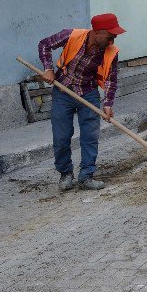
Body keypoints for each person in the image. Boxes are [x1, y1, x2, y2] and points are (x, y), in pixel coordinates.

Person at [37, 13, 125, 191]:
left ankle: (86, 176)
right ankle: (65, 173)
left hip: (88, 93)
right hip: (63, 92)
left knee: (90, 136)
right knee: (61, 137)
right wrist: (48, 68)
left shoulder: (111, 51)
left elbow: (110, 79)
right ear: (98, 32)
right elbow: (44, 44)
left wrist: (108, 104)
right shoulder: (72, 35)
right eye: (111, 35)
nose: (113, 40)